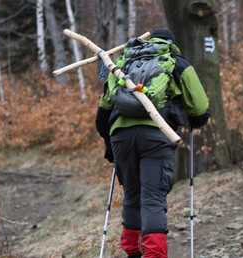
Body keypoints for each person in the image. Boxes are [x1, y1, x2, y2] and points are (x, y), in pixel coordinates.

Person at [95, 28, 210, 258]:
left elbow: (101, 117)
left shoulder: (123, 63)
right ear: (171, 43)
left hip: (121, 138)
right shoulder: (177, 62)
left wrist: (111, 145)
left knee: (132, 194)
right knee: (152, 197)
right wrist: (191, 117)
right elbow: (200, 110)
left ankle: (132, 251)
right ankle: (155, 255)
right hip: (156, 135)